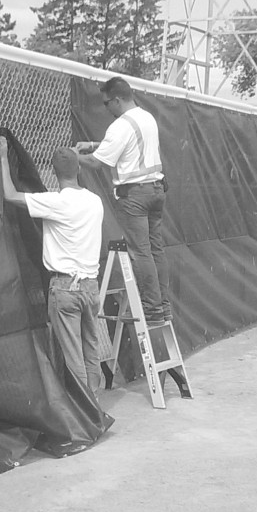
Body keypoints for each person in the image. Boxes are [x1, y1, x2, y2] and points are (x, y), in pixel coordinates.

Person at [0, 136, 104, 396]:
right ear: (78, 169)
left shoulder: (55, 202)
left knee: (71, 356)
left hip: (65, 289)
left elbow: (10, 195)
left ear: (53, 173)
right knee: (91, 348)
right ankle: (96, 406)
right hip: (91, 288)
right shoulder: (95, 202)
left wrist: (2, 157)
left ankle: (83, 415)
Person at [75, 76, 171, 327]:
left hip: (135, 195)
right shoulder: (145, 117)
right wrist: (95, 144)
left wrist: (73, 156)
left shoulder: (120, 126)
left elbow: (97, 163)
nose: (107, 108)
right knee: (156, 250)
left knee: (141, 254)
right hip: (155, 190)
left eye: (107, 103)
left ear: (117, 100)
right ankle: (163, 306)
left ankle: (151, 311)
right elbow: (127, 145)